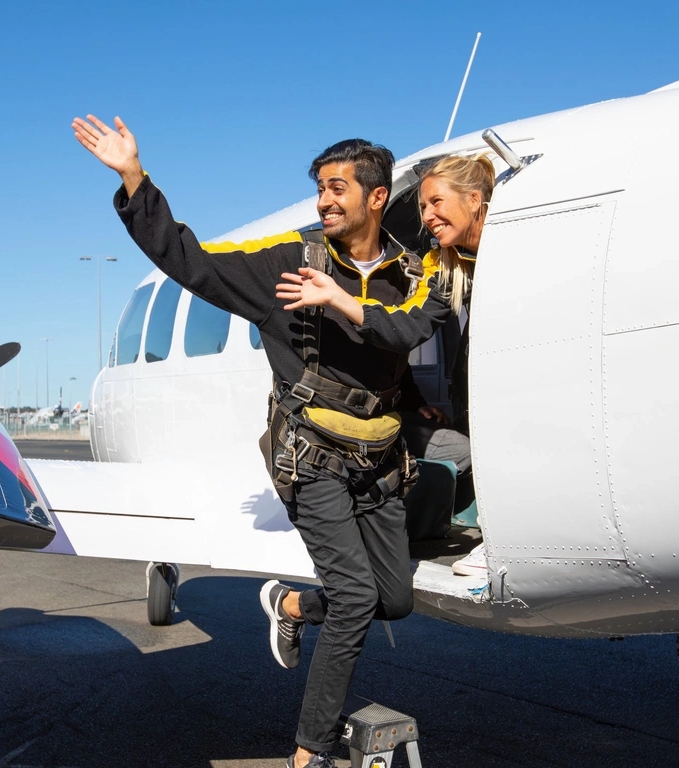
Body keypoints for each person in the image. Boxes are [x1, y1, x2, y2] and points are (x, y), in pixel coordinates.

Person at [71, 114, 452, 768]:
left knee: (394, 599)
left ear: (377, 197)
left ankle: (293, 601)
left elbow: (406, 333)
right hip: (313, 460)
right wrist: (135, 180)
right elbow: (192, 263)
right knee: (358, 599)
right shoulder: (287, 262)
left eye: (338, 188)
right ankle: (309, 752)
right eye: (320, 188)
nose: (325, 200)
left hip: (381, 465)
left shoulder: (411, 272)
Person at [411, 152, 497, 577]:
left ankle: (500, 543)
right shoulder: (449, 263)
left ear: (474, 199)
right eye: (423, 206)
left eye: (436, 203)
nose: (428, 215)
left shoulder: (508, 252)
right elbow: (414, 322)